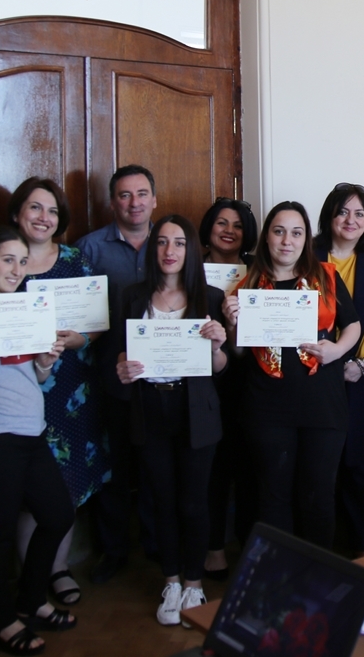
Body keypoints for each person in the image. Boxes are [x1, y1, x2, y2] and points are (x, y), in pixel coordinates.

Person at [0, 227, 76, 655]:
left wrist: (44, 363)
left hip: (32, 431)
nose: (17, 269)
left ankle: (30, 600)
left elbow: (33, 376)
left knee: (58, 516)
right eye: (8, 260)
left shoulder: (25, 309)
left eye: (22, 261)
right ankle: (3, 622)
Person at [221, 201, 360, 549]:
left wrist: (338, 350)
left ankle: (316, 573)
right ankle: (278, 573)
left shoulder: (326, 276)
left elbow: (354, 325)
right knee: (272, 497)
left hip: (322, 405)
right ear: (267, 237)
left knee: (318, 496)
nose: (287, 241)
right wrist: (232, 323)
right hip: (267, 408)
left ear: (306, 239)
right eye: (279, 231)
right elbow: (238, 352)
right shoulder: (248, 285)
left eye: (296, 233)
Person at [115, 215, 229, 625]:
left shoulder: (210, 297)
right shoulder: (132, 296)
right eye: (162, 242)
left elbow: (220, 368)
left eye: (179, 243)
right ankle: (172, 582)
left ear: (190, 250)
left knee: (194, 501)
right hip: (150, 409)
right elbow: (121, 354)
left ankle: (194, 583)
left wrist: (218, 346)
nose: (169, 250)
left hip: (195, 410)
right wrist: (123, 368)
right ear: (153, 249)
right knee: (160, 500)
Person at [8, 177, 110, 606]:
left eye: (51, 211)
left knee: (68, 483)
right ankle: (31, 575)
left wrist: (78, 340)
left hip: (71, 390)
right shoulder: (7, 261)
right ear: (18, 213)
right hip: (17, 389)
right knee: (28, 492)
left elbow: (98, 323)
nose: (43, 218)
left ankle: (58, 568)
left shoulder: (75, 261)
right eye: (35, 208)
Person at [74, 164, 158, 584]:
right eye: (125, 195)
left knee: (157, 467)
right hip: (109, 378)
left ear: (154, 200)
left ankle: (158, 546)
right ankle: (113, 550)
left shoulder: (171, 242)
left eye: (142, 194)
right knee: (115, 469)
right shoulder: (88, 250)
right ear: (112, 203)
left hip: (164, 378)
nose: (134, 202)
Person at [313, 183, 364, 556]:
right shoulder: (308, 254)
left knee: (358, 463)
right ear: (329, 216)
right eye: (343, 211)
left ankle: (362, 547)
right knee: (318, 462)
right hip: (313, 372)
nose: (351, 220)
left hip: (361, 374)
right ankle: (319, 547)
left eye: (359, 213)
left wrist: (360, 365)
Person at [197, 196, 259, 578]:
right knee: (214, 469)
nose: (229, 231)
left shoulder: (258, 270)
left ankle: (250, 546)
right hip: (204, 383)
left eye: (237, 225)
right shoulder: (191, 269)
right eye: (222, 223)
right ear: (209, 228)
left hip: (250, 380)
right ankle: (214, 547)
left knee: (250, 466)